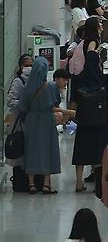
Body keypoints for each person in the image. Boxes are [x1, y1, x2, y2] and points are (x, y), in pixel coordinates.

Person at [72, 18, 108, 192]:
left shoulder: (80, 83)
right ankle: (98, 180)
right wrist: (95, 53)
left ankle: (79, 181)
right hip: (97, 112)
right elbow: (91, 58)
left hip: (84, 112)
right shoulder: (93, 43)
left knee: (81, 145)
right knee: (98, 144)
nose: (103, 26)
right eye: (100, 24)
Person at [19, 57, 63, 195]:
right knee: (48, 149)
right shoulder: (51, 86)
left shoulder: (27, 87)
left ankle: (31, 184)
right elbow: (56, 102)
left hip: (31, 121)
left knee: (31, 150)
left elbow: (22, 106)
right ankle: (46, 184)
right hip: (47, 121)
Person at [6, 54, 33, 125]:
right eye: (26, 66)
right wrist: (24, 103)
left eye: (31, 65)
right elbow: (10, 101)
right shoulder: (18, 81)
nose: (29, 68)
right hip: (19, 119)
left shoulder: (34, 80)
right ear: (21, 67)